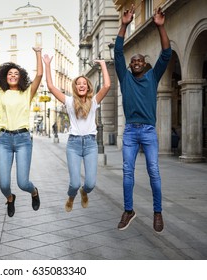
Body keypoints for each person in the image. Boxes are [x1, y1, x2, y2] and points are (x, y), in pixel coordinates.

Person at [114, 5, 171, 232]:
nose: (136, 62)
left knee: (153, 171)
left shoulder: (152, 77)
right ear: (130, 66)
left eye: (140, 60)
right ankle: (129, 210)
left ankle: (158, 213)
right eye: (133, 61)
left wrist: (161, 27)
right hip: (129, 130)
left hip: (148, 130)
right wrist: (124, 25)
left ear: (144, 64)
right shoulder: (125, 78)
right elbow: (118, 52)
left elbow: (166, 54)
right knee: (127, 171)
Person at [43, 55, 110, 212]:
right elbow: (51, 87)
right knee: (74, 183)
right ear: (75, 87)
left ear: (88, 87)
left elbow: (107, 85)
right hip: (73, 144)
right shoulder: (68, 101)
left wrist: (103, 65)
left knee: (90, 184)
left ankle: (84, 192)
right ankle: (71, 197)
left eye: (84, 84)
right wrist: (47, 65)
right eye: (78, 84)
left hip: (90, 145)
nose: (81, 85)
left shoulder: (94, 101)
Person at [0, 41, 42, 217]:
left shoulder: (27, 93)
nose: (12, 75)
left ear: (20, 77)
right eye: (10, 73)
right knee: (3, 184)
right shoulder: (0, 93)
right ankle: (10, 198)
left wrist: (38, 53)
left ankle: (34, 192)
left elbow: (39, 75)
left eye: (16, 73)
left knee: (23, 182)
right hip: (4, 140)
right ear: (5, 76)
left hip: (23, 139)